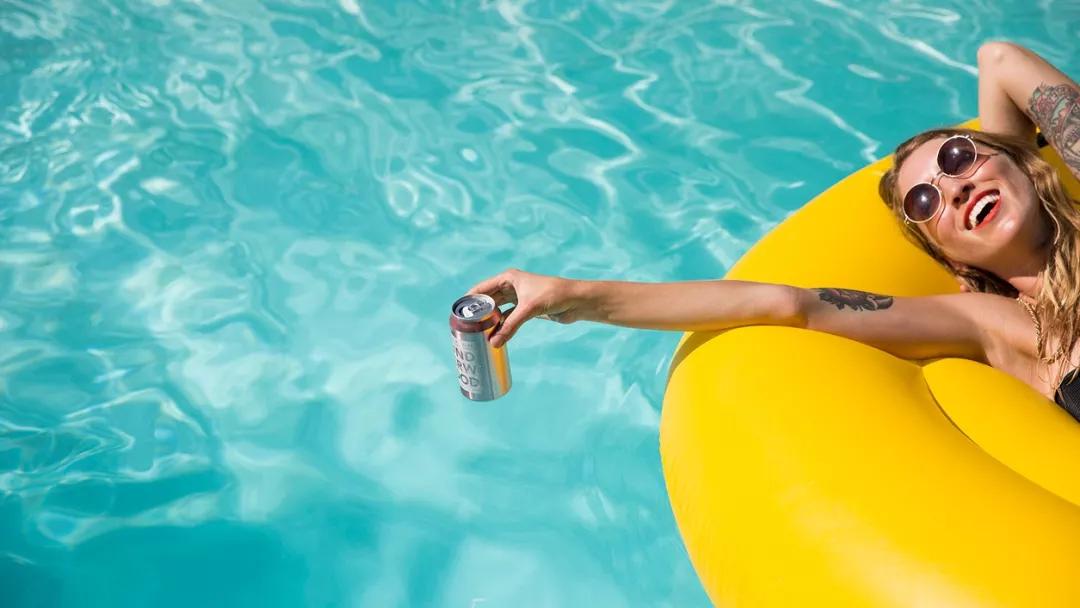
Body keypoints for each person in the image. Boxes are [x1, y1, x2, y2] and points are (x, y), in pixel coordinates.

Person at [466, 42, 1080, 420]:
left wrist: (1005, 161)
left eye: (958, 158)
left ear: (1017, 158)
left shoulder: (1018, 172)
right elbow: (790, 305)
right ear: (949, 258)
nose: (953, 189)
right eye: (926, 201)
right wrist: (572, 295)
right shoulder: (1003, 326)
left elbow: (999, 60)